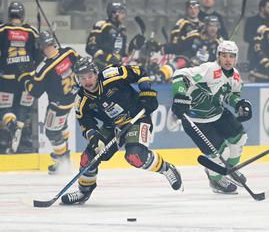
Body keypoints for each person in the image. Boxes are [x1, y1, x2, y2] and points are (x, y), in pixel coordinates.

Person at [60, 58, 182, 205]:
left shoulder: (112, 75)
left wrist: (147, 92)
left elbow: (139, 72)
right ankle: (83, 192)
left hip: (137, 118)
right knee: (88, 158)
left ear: (96, 73)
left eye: (90, 76)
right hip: (112, 126)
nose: (87, 81)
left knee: (135, 156)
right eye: (82, 78)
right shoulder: (81, 100)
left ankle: (167, 169)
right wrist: (95, 138)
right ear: (77, 79)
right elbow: (86, 124)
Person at [171, 41, 252, 194]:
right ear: (218, 57)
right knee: (220, 154)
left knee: (239, 138)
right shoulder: (208, 69)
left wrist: (239, 105)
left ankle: (232, 169)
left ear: (236, 59)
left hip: (217, 113)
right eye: (224, 56)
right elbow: (180, 75)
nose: (228, 60)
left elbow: (231, 95)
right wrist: (180, 95)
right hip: (195, 120)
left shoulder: (235, 75)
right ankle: (215, 180)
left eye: (231, 56)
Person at [19, 31, 80, 174]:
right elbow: (80, 64)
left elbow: (35, 92)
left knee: (52, 132)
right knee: (62, 125)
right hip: (73, 97)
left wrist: (25, 77)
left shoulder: (44, 68)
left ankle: (63, 161)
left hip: (57, 105)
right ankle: (64, 153)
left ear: (41, 47)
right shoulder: (69, 52)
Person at [0, 2, 39, 154]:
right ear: (22, 15)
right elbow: (39, 56)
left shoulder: (2, 29)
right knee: (24, 111)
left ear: (10, 14)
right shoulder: (31, 31)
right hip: (26, 80)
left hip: (6, 79)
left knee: (6, 110)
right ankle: (24, 143)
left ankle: (5, 141)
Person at [85, 2, 144, 70]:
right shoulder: (102, 25)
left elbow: (122, 53)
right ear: (113, 14)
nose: (124, 16)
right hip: (100, 67)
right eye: (121, 13)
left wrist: (134, 45)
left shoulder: (122, 30)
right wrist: (108, 58)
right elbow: (91, 47)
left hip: (117, 69)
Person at [243, 0, 269, 68]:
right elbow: (246, 37)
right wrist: (261, 39)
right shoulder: (251, 20)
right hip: (254, 55)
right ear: (262, 8)